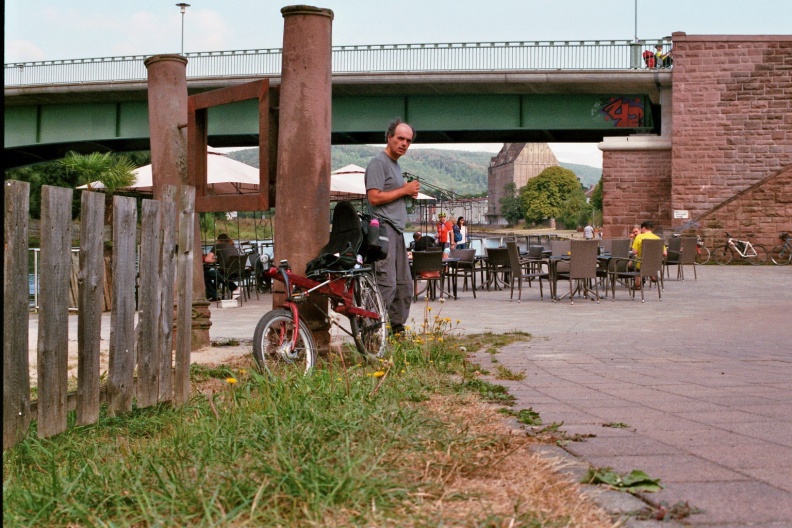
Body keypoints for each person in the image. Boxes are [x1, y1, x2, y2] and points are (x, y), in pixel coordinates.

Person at [365, 118, 420, 336]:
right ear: (389, 137)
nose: (404, 143)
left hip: (397, 231)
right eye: (400, 138)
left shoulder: (395, 166)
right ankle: (370, 332)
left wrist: (406, 192)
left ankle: (397, 331)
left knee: (404, 285)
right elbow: (374, 198)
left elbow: (391, 196)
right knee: (386, 283)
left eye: (408, 140)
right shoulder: (378, 163)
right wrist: (404, 190)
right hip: (383, 230)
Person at [630, 220, 668, 289]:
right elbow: (665, 254)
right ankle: (651, 273)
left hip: (641, 263)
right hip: (654, 264)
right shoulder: (658, 238)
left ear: (643, 228)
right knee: (642, 263)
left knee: (630, 263)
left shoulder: (639, 237)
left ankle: (637, 284)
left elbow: (634, 252)